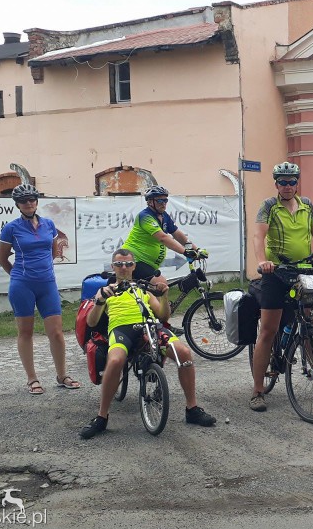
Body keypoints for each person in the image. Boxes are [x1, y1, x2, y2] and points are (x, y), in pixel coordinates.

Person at [79, 248, 217, 439]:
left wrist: (164, 296)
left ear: (134, 266)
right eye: (119, 264)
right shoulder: (106, 291)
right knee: (116, 361)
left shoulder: (143, 288)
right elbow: (92, 323)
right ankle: (101, 416)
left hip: (150, 326)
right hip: (121, 329)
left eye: (128, 264)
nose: (124, 268)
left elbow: (163, 315)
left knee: (184, 353)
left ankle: (192, 409)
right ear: (113, 267)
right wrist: (100, 301)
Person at [249, 161, 313, 412]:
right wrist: (262, 261)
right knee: (268, 330)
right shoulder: (269, 207)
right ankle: (257, 390)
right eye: (282, 182)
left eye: (291, 181)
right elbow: (258, 236)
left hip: (303, 271)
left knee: (310, 325)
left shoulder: (307, 205)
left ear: (297, 183)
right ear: (276, 184)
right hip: (276, 273)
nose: (287, 186)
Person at [0, 184, 81, 395]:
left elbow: (53, 253)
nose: (29, 203)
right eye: (24, 201)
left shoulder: (49, 224)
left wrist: (42, 271)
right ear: (17, 204)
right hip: (22, 284)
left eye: (32, 199)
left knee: (57, 332)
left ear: (37, 202)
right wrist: (17, 276)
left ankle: (62, 375)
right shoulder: (11, 228)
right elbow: (2, 258)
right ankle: (32, 379)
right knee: (26, 332)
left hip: (47, 284)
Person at [122, 185, 200, 332]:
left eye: (165, 200)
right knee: (161, 284)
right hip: (134, 260)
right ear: (150, 202)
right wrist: (185, 252)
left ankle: (156, 322)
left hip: (148, 263)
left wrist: (196, 249)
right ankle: (161, 326)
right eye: (159, 201)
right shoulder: (145, 216)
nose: (163, 203)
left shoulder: (164, 217)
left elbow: (177, 234)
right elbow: (163, 238)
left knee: (155, 290)